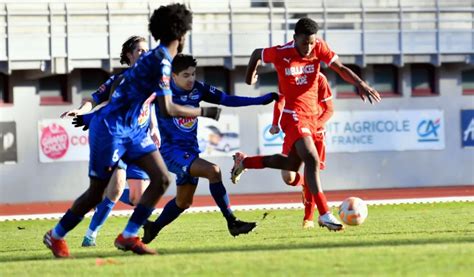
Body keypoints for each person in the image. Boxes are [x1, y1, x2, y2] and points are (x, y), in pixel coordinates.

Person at [43, 3, 220, 258]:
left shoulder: (159, 59)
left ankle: (128, 235)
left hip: (134, 132)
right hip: (111, 129)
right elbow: (168, 108)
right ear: (181, 36)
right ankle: (56, 234)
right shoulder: (159, 62)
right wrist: (204, 112)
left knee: (161, 179)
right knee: (97, 193)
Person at [231, 17, 381, 231]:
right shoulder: (281, 52)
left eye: (312, 42)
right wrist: (249, 78)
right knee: (311, 158)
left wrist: (361, 83)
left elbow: (339, 67)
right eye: (305, 43)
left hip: (311, 118)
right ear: (295, 39)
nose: (309, 47)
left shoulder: (319, 48)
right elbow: (257, 53)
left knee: (290, 166)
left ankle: (245, 163)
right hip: (293, 115)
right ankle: (324, 214)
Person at [141, 54, 278, 244]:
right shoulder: (161, 91)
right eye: (185, 75)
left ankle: (152, 228)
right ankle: (232, 222)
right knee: (213, 171)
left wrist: (258, 100)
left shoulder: (198, 89)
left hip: (190, 152)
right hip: (171, 153)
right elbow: (131, 104)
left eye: (193, 74)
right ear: (173, 76)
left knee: (183, 203)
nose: (191, 79)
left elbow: (226, 99)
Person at [60, 36, 158, 247]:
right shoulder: (118, 80)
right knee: (116, 187)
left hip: (140, 140)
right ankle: (91, 235)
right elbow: (93, 99)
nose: (144, 54)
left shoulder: (152, 79)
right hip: (118, 140)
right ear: (129, 55)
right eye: (139, 51)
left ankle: (104, 196)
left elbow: (152, 106)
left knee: (136, 199)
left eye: (146, 50)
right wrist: (81, 111)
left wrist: (154, 128)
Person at [270, 72, 334, 229]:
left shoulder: (320, 78)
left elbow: (329, 109)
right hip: (294, 130)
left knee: (310, 172)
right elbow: (280, 100)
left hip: (316, 133)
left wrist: (313, 126)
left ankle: (308, 218)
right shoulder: (288, 76)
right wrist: (275, 122)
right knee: (288, 177)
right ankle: (306, 183)